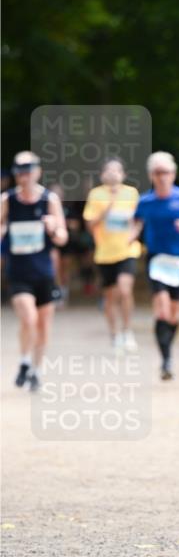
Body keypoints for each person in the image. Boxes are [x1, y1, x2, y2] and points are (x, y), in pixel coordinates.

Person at [130, 151, 179, 379]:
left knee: (175, 315)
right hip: (156, 260)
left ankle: (167, 351)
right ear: (151, 175)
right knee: (162, 309)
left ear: (173, 174)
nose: (162, 176)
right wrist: (129, 236)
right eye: (157, 172)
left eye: (166, 172)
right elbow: (136, 223)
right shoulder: (145, 201)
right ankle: (166, 361)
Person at [0, 150, 67, 390]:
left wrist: (53, 228)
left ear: (37, 171)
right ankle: (24, 361)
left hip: (44, 273)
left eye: (29, 170)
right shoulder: (7, 200)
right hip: (18, 272)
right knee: (29, 318)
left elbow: (62, 238)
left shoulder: (49, 200)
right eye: (20, 172)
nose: (25, 176)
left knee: (43, 325)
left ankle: (37, 371)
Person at [83, 159, 141, 351]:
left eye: (117, 170)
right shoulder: (96, 194)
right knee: (111, 297)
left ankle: (127, 331)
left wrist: (134, 234)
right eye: (109, 170)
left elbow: (139, 219)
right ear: (102, 175)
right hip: (105, 253)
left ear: (123, 174)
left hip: (127, 250)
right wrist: (106, 210)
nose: (113, 174)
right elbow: (90, 225)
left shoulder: (131, 193)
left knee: (125, 290)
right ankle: (114, 334)